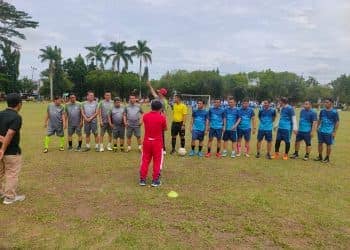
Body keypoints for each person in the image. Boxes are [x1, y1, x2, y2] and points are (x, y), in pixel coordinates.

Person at [0, 93, 25, 204]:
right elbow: (10, 134)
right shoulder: (16, 117)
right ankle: (9, 197)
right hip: (11, 151)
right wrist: (3, 149)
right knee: (11, 173)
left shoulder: (0, 114)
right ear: (19, 104)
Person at [139, 100, 167, 187]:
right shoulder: (162, 117)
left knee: (145, 160)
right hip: (157, 142)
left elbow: (141, 123)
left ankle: (142, 179)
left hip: (147, 141)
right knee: (157, 161)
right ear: (160, 108)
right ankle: (155, 180)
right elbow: (165, 129)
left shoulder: (145, 116)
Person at [146, 81, 169, 154]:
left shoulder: (164, 101)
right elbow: (153, 92)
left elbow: (164, 112)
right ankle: (152, 147)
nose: (158, 93)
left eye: (159, 92)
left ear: (162, 94)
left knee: (161, 135)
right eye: (158, 92)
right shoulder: (157, 98)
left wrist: (163, 122)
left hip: (159, 119)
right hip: (152, 118)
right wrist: (150, 86)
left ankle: (163, 148)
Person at [314, 98, 339, 163]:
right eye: (325, 102)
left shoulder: (334, 112)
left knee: (328, 144)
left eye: (327, 102)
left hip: (329, 131)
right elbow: (319, 119)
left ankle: (327, 158)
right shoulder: (322, 111)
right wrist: (317, 127)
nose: (325, 103)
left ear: (331, 103)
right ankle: (320, 156)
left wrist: (334, 131)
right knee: (320, 143)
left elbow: (337, 122)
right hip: (321, 130)